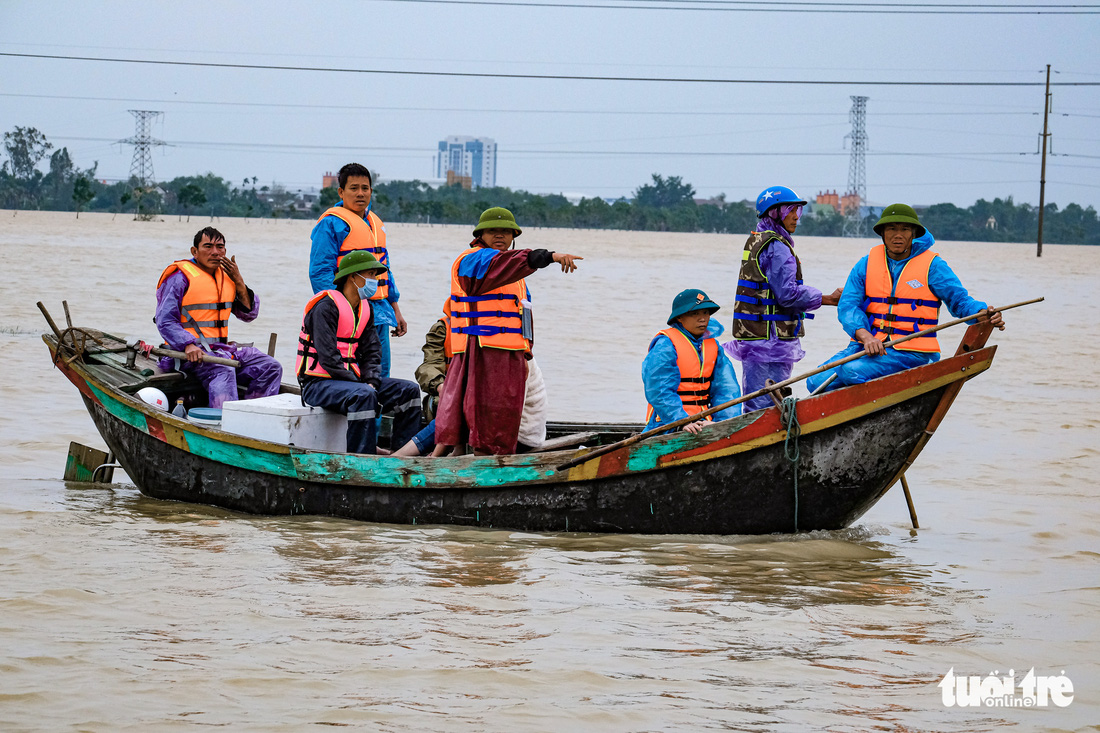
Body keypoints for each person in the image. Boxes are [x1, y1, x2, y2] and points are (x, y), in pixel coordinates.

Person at [806, 204, 1005, 393]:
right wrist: (865, 336)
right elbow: (848, 306)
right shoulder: (865, 264)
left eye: (905, 229)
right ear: (882, 234)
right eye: (891, 229)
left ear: (914, 234)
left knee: (851, 371)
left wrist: (982, 313)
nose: (898, 235)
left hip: (912, 351)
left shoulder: (933, 265)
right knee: (814, 382)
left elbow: (960, 301)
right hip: (865, 346)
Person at [434, 207, 582, 456]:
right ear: (480, 235)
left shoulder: (517, 275)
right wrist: (548, 256)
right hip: (482, 351)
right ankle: (478, 472)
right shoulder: (473, 259)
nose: (500, 236)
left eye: (506, 232)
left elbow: (524, 317)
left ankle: (467, 464)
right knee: (485, 424)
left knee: (500, 420)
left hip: (511, 353)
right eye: (493, 231)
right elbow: (502, 262)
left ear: (514, 236)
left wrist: (526, 354)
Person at [727, 186, 841, 411]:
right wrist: (827, 298)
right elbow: (787, 295)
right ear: (775, 213)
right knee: (769, 402)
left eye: (798, 211)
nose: (796, 217)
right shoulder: (777, 247)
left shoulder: (756, 240)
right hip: (770, 339)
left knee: (756, 401)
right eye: (791, 211)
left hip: (754, 335)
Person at [296, 250, 421, 455]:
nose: (374, 280)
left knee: (408, 391)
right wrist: (362, 385)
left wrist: (372, 381)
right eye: (371, 274)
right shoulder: (325, 308)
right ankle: (361, 459)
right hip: (317, 384)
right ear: (353, 277)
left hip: (354, 382)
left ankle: (404, 457)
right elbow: (328, 358)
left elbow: (373, 351)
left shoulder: (366, 309)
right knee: (364, 394)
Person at [155, 227, 282, 409]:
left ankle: (257, 416)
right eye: (208, 246)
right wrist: (187, 344)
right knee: (223, 370)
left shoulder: (228, 278)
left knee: (270, 367)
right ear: (194, 251)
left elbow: (248, 315)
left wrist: (239, 280)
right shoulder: (180, 277)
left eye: (220, 247)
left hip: (220, 350)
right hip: (185, 355)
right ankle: (226, 426)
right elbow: (165, 321)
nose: (215, 252)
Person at [308, 162, 406, 378]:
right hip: (348, 312)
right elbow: (320, 272)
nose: (360, 193)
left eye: (365, 188)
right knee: (350, 371)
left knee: (380, 372)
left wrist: (395, 309)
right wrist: (340, 310)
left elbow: (385, 270)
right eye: (354, 188)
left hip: (379, 311)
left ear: (371, 190)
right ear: (341, 192)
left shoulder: (374, 223)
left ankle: (376, 413)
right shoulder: (331, 224)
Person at [643, 289, 743, 433]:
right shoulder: (666, 345)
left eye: (706, 313)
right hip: (667, 423)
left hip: (704, 421)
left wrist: (723, 424)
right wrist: (681, 421)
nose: (702, 318)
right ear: (680, 317)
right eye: (694, 313)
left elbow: (726, 389)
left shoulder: (713, 346)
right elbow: (658, 390)